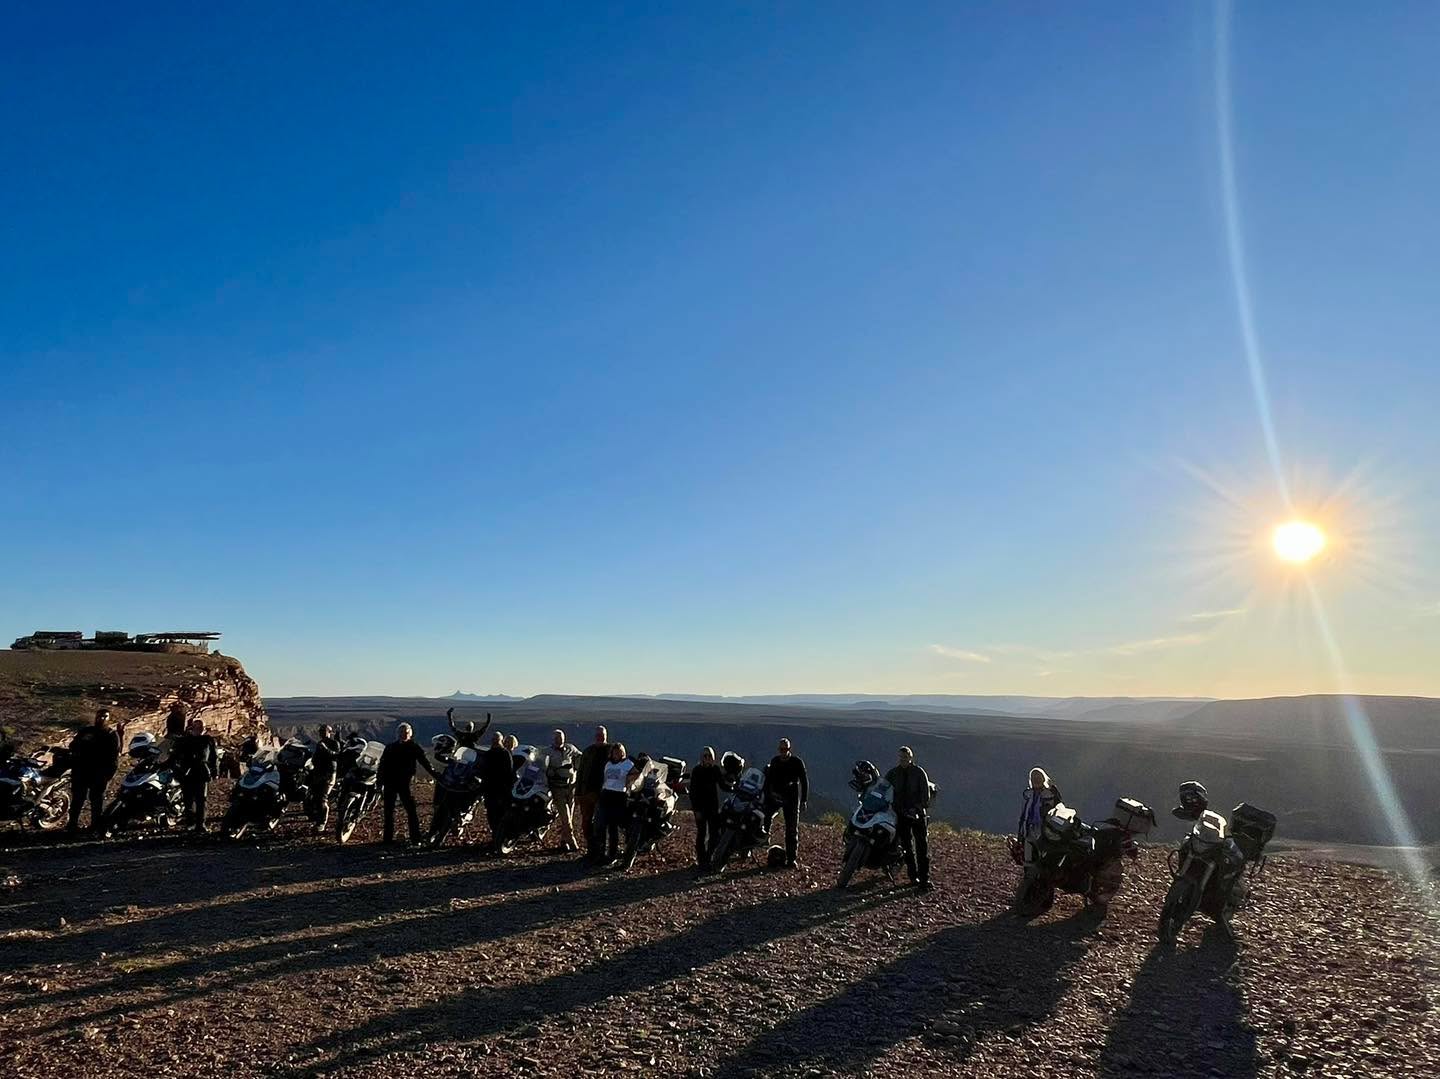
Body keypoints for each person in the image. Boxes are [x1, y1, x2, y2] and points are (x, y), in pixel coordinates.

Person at [66, 709, 125, 834]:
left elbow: (114, 756)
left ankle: (95, 825)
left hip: (99, 773)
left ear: (109, 719)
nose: (102, 719)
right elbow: (73, 746)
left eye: (105, 716)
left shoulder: (111, 735)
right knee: (77, 799)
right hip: (81, 770)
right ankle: (72, 824)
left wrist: (109, 774)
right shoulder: (86, 732)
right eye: (100, 716)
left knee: (96, 800)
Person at [378, 722, 437, 845]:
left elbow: (425, 762)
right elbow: (382, 765)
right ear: (397, 734)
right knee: (388, 811)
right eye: (401, 733)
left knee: (411, 810)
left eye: (406, 733)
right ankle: (387, 839)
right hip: (390, 782)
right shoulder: (390, 747)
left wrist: (436, 775)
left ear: (410, 734)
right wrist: (379, 782)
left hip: (405, 783)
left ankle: (415, 838)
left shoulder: (414, 747)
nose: (403, 735)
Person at [885, 746, 933, 890]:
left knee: (921, 847)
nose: (903, 760)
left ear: (910, 758)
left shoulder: (919, 773)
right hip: (901, 814)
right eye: (901, 757)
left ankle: (924, 879)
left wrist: (917, 808)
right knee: (906, 847)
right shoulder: (893, 773)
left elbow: (926, 796)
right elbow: (884, 787)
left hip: (917, 814)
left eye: (905, 757)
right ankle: (913, 877)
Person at [765, 738, 808, 868]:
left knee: (791, 829)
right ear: (779, 750)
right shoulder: (775, 761)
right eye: (781, 749)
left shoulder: (797, 762)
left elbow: (804, 781)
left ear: (790, 749)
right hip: (776, 796)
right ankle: (762, 840)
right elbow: (768, 780)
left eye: (786, 749)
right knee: (764, 817)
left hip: (792, 798)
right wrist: (768, 795)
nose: (783, 752)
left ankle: (791, 859)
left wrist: (804, 799)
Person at [594, 742, 638, 867]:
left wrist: (629, 781)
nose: (617, 754)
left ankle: (612, 854)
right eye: (615, 752)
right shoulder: (608, 764)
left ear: (623, 753)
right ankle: (600, 853)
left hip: (618, 796)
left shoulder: (628, 764)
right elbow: (605, 779)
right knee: (600, 825)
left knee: (613, 827)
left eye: (619, 752)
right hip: (606, 794)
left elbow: (637, 774)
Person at [172, 718, 218, 834]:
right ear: (192, 728)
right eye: (197, 727)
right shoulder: (184, 740)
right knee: (188, 800)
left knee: (201, 800)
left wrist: (214, 771)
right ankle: (190, 823)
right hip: (187, 773)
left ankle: (200, 824)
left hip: (202, 772)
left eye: (201, 727)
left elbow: (213, 757)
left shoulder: (208, 740)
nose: (200, 729)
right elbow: (175, 755)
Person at [576, 726, 611, 861]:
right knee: (586, 822)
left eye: (602, 735)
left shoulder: (611, 750)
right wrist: (577, 792)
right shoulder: (588, 751)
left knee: (600, 823)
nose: (599, 737)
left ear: (606, 735)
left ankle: (600, 851)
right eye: (597, 735)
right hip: (586, 792)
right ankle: (591, 850)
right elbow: (580, 772)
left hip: (602, 794)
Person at [545, 729, 583, 851]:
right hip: (557, 788)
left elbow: (581, 757)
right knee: (565, 816)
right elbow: (541, 766)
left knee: (570, 816)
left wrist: (577, 768)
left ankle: (563, 841)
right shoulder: (548, 752)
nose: (558, 740)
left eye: (560, 738)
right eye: (556, 738)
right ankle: (572, 841)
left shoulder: (570, 748)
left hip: (571, 787)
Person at [687, 747, 724, 869]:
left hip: (713, 806)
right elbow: (692, 792)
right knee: (701, 833)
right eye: (705, 756)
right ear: (701, 758)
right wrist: (696, 809)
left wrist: (734, 785)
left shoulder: (715, 770)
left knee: (715, 833)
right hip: (700, 807)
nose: (707, 758)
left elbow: (723, 784)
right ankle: (701, 860)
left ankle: (709, 856)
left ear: (713, 758)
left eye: (709, 756)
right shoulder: (697, 771)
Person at [481, 730, 516, 853]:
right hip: (491, 791)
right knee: (492, 816)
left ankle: (501, 839)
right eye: (494, 740)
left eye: (496, 740)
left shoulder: (505, 754)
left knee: (501, 816)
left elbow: (510, 773)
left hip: (501, 791)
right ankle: (496, 839)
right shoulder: (490, 754)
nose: (495, 742)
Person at [307, 725, 342, 832]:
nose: (321, 733)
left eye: (324, 731)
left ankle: (322, 823)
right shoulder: (319, 744)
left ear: (329, 732)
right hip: (318, 773)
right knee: (313, 796)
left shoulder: (334, 743)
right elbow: (316, 758)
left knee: (322, 798)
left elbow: (336, 756)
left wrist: (325, 749)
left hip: (329, 773)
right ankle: (315, 817)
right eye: (320, 731)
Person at [1017, 767, 1062, 849]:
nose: (1036, 780)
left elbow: (1060, 809)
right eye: (1034, 778)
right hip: (1030, 829)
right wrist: (1020, 834)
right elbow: (1023, 815)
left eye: (1038, 777)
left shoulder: (1050, 793)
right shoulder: (1028, 795)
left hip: (1046, 829)